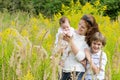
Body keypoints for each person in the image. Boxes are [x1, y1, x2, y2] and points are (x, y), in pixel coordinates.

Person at [60, 14, 99, 80]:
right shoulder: (70, 32)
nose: (79, 27)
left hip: (77, 72)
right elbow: (61, 50)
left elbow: (82, 58)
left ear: (88, 29)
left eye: (83, 27)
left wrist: (70, 42)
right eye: (79, 24)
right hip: (64, 70)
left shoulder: (87, 40)